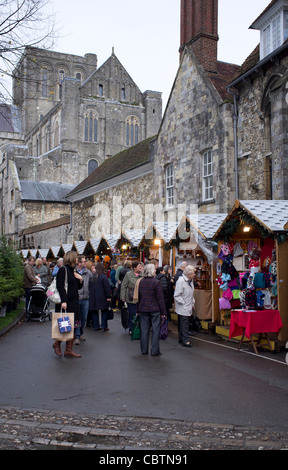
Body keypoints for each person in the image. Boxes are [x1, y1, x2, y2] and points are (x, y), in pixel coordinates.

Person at [53, 251, 83, 358]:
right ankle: (57, 344)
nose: (77, 260)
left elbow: (77, 288)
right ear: (71, 258)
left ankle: (68, 350)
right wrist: (64, 301)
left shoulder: (73, 271)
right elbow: (60, 286)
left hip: (74, 303)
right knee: (64, 326)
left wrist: (80, 280)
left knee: (73, 327)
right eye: (76, 258)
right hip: (66, 303)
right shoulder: (63, 269)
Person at [136, 263, 167, 356]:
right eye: (154, 269)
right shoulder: (156, 282)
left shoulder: (141, 282)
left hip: (143, 308)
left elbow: (139, 297)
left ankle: (144, 350)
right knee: (155, 330)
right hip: (154, 309)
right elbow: (160, 299)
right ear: (152, 271)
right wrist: (163, 312)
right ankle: (155, 350)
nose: (155, 270)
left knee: (144, 330)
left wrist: (137, 310)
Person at [174, 265, 196, 348]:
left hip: (187, 306)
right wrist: (183, 303)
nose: (194, 274)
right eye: (193, 273)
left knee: (182, 323)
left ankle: (181, 339)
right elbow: (177, 295)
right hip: (183, 306)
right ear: (188, 274)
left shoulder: (190, 281)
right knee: (184, 324)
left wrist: (192, 303)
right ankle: (185, 340)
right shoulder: (181, 281)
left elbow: (191, 294)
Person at [120, 260, 143, 335]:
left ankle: (139, 329)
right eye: (139, 266)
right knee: (132, 314)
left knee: (140, 314)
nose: (141, 268)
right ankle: (131, 329)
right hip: (131, 297)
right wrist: (122, 297)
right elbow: (124, 285)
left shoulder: (143, 274)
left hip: (141, 298)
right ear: (134, 268)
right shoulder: (128, 274)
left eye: (141, 266)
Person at [89, 262, 111, 332]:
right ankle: (104, 326)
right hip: (102, 296)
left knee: (94, 312)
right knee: (104, 311)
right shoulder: (103, 277)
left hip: (93, 296)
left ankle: (96, 326)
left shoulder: (92, 276)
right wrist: (109, 296)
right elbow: (107, 288)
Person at [75, 256, 92, 344]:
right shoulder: (74, 272)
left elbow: (92, 281)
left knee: (84, 317)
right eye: (84, 261)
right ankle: (77, 336)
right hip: (77, 298)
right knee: (77, 318)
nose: (86, 263)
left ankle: (81, 332)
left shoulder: (88, 272)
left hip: (85, 298)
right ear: (79, 263)